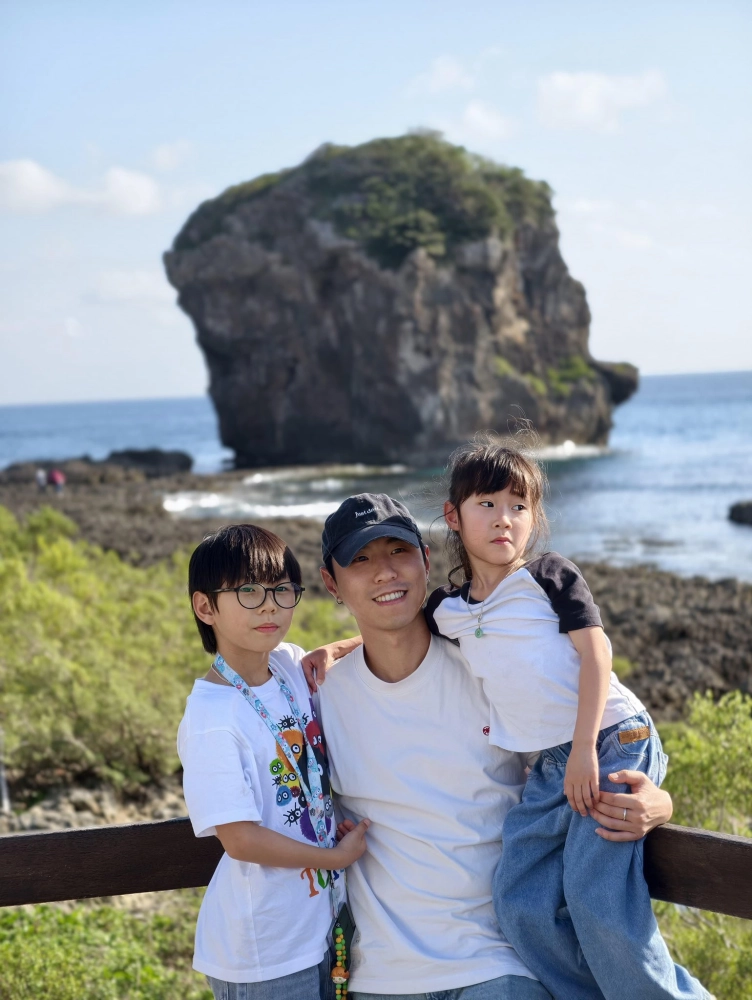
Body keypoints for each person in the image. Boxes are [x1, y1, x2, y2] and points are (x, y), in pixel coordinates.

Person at [305, 493, 675, 1000]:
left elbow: (594, 742)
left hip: (499, 964)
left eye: (398, 552)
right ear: (331, 583)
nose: (385, 572)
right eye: (361, 560)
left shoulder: (491, 668)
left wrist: (661, 803)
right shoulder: (317, 695)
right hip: (382, 976)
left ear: (426, 560)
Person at [422, 437, 710, 1000]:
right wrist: (335, 650)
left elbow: (598, 654)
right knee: (519, 901)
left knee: (595, 898)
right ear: (453, 516)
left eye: (519, 506)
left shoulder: (548, 576)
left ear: (534, 518)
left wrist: (583, 751)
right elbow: (397, 634)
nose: (504, 519)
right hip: (551, 766)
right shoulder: (448, 610)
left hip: (611, 739)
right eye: (487, 504)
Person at [178, 524, 368, 1000]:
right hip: (263, 950)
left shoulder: (286, 664)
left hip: (319, 925)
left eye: (283, 590)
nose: (270, 606)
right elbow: (240, 839)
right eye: (249, 591)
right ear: (205, 607)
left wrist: (332, 648)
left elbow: (372, 642)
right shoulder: (211, 717)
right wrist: (334, 858)